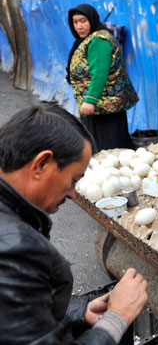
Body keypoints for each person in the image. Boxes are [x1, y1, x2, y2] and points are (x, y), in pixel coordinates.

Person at [0, 104, 148, 344]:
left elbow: (20, 310)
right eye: (73, 179)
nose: (72, 193)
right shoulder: (13, 252)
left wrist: (79, 310)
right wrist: (116, 318)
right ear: (41, 164)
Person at [66, 3, 138, 152]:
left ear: (92, 20)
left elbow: (100, 73)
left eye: (83, 21)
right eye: (75, 22)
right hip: (102, 107)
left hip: (104, 108)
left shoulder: (99, 41)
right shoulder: (91, 39)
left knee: (108, 148)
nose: (78, 26)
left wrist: (90, 99)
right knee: (105, 146)